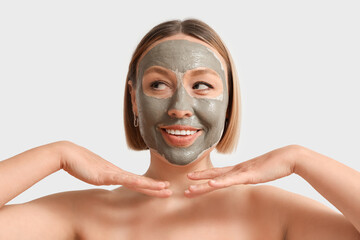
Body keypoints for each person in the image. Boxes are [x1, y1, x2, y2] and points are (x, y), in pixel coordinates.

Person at [0, 19, 359, 240]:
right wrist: (57, 154)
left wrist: (301, 158)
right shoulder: (83, 213)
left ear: (229, 100)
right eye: (158, 85)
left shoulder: (276, 212)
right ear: (134, 99)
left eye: (202, 86)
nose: (179, 107)